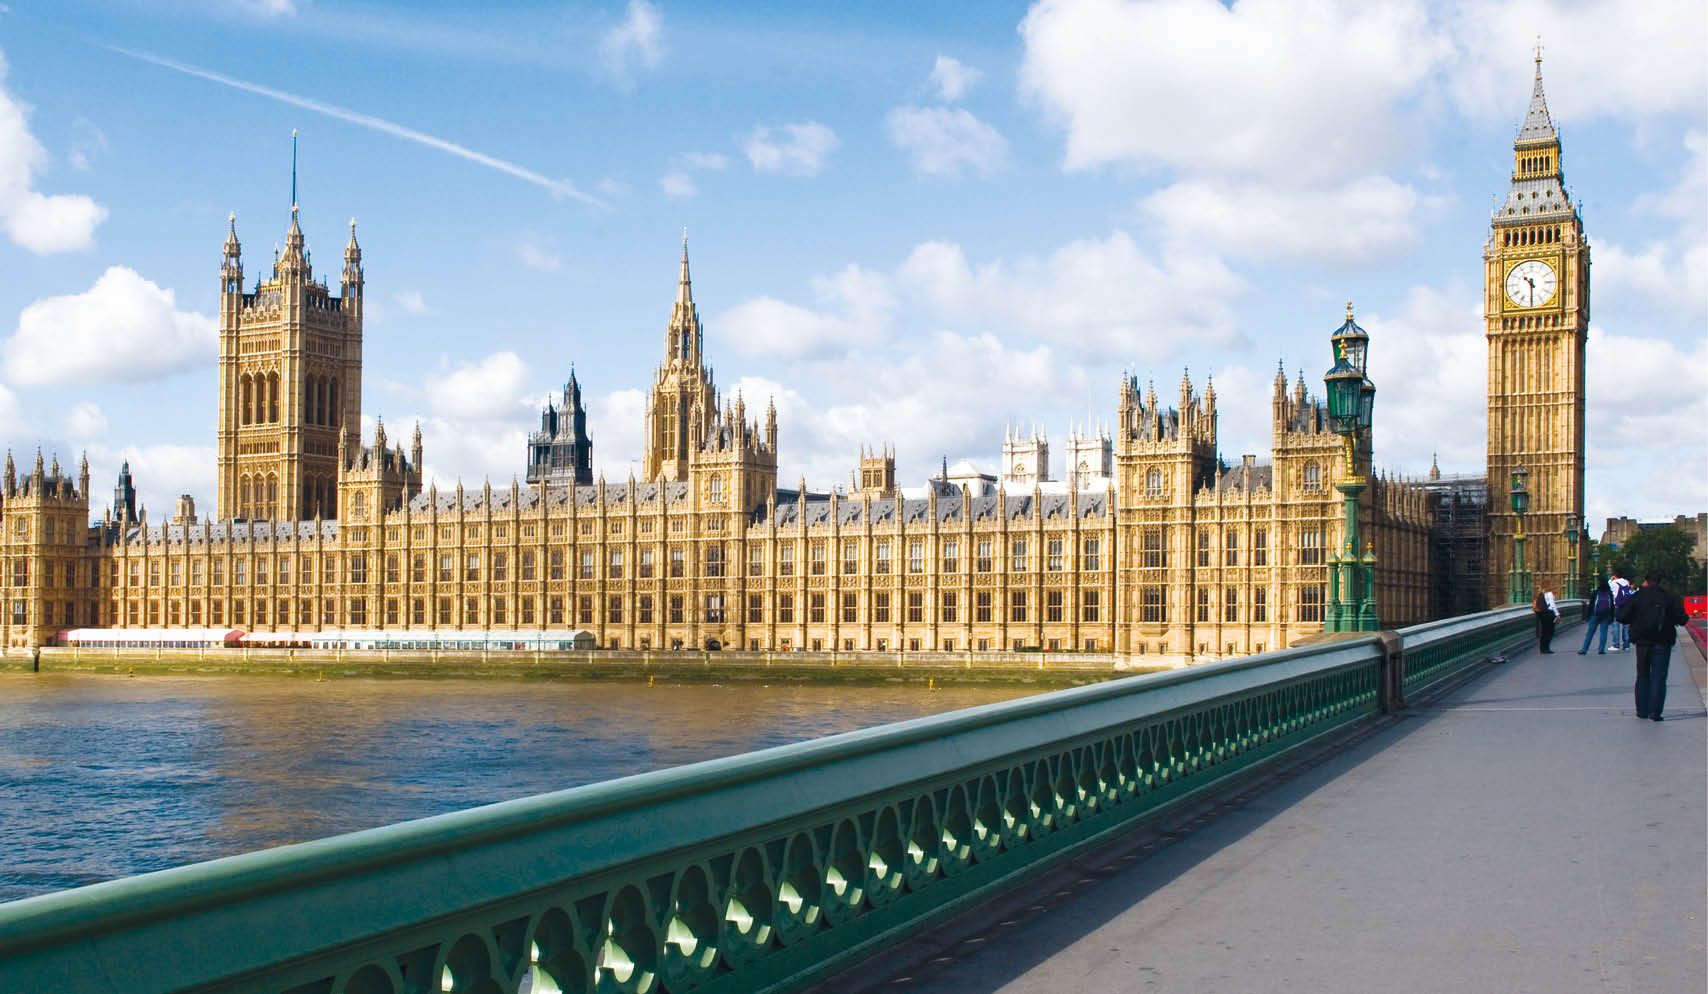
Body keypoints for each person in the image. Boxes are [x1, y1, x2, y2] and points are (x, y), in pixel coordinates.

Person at [1616, 569, 1688, 721]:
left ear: (1646, 581)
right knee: (1659, 677)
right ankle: (1655, 712)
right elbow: (1682, 619)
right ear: (1660, 581)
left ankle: (1642, 711)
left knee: (1642, 675)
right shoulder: (1668, 597)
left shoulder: (1638, 596)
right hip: (1663, 641)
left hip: (1642, 642)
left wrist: (1636, 620)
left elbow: (1621, 616)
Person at [1578, 579, 1615, 654]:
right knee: (1603, 633)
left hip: (1595, 615)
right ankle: (1601, 650)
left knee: (1590, 632)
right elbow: (1612, 606)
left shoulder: (1596, 592)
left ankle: (1584, 649)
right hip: (1606, 615)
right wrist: (1611, 617)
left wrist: (1588, 616)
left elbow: (1591, 605)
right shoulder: (1609, 593)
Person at [1608, 569, 1634, 651]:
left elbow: (1608, 586)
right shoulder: (1626, 582)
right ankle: (1626, 645)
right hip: (1626, 605)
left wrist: (1610, 579)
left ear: (1615, 576)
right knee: (1626, 625)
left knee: (1616, 624)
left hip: (1617, 605)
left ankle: (1616, 645)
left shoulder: (1613, 583)